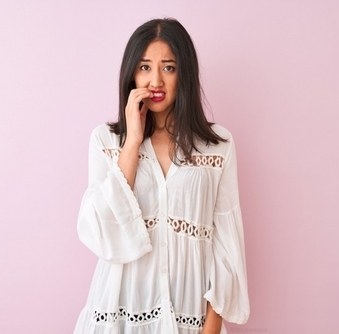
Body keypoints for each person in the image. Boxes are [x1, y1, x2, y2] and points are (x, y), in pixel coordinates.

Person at [74, 18, 249, 334]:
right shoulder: (106, 142)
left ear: (185, 74)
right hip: (119, 318)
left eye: (168, 67)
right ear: (131, 73)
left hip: (191, 321)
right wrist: (132, 142)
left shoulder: (218, 146)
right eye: (144, 67)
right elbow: (100, 231)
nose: (155, 80)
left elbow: (226, 246)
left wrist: (210, 328)